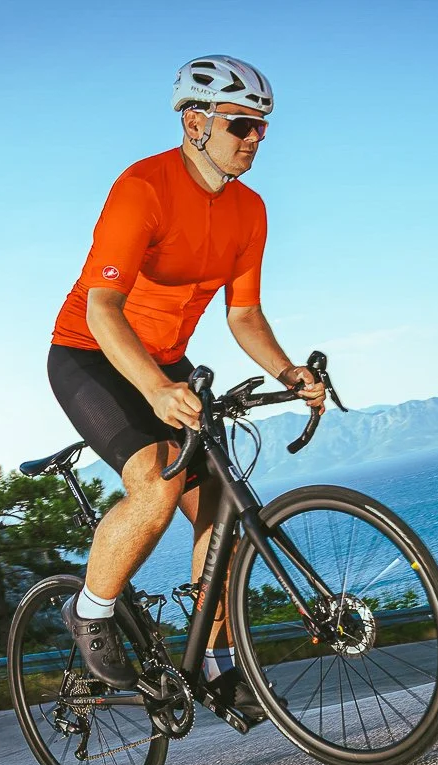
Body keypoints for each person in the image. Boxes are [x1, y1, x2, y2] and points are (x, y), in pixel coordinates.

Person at [45, 55, 325, 720]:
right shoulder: (142, 188)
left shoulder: (250, 211)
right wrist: (153, 390)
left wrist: (289, 372)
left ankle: (219, 665)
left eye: (263, 128)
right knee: (159, 485)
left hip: (166, 360)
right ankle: (89, 611)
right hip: (91, 354)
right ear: (196, 123)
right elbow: (102, 309)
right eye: (242, 125)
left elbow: (244, 316)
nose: (256, 139)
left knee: (223, 515)